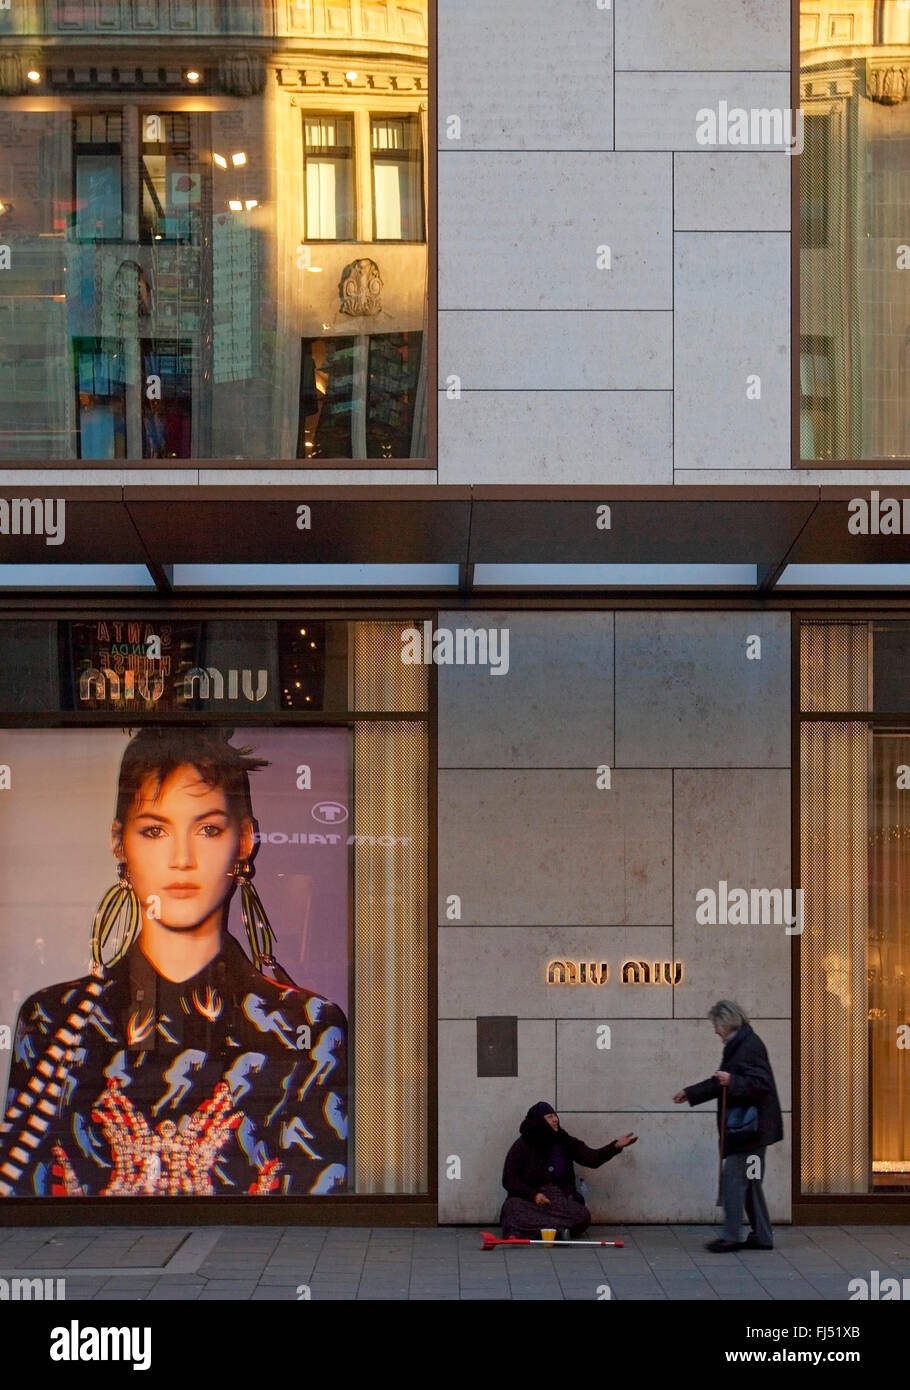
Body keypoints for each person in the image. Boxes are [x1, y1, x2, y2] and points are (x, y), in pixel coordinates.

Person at [0, 727, 347, 1199]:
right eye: (154, 830)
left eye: (207, 829)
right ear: (120, 843)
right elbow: (26, 1205)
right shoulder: (51, 1021)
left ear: (243, 840)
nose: (182, 858)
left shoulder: (308, 1025)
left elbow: (316, 1214)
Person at [673, 1000, 782, 1252]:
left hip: (748, 1131)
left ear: (726, 1021)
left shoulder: (747, 1046)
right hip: (754, 1129)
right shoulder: (741, 1044)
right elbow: (720, 1081)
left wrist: (732, 1080)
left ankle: (732, 1236)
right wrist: (691, 1093)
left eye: (715, 1024)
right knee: (750, 1183)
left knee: (734, 1179)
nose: (714, 1031)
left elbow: (759, 1084)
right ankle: (763, 1236)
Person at [500, 1102, 637, 1239]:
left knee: (581, 1216)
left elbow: (591, 1158)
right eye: (549, 1117)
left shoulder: (564, 1140)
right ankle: (557, 1232)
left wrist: (616, 1146)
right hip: (531, 1200)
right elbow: (509, 1179)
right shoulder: (522, 1145)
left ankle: (530, 1231)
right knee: (512, 1208)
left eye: (555, 1116)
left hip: (559, 1199)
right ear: (538, 1121)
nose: (555, 1120)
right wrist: (533, 1194)